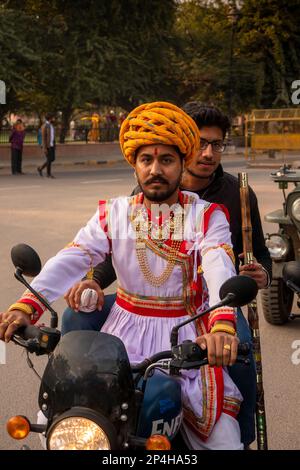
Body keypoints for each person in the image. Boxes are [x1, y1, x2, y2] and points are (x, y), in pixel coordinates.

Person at [1, 101, 244, 450]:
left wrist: (222, 325)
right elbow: (74, 256)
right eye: (147, 160)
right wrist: (27, 305)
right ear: (135, 167)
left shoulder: (207, 216)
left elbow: (219, 265)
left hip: (187, 336)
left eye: (166, 160)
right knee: (54, 420)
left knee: (223, 441)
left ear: (182, 164)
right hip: (119, 336)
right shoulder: (114, 213)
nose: (155, 169)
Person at [62, 103, 272, 448]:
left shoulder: (238, 194)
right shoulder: (144, 193)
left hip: (213, 301)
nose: (208, 153)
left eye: (216, 145)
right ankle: (76, 396)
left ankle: (242, 434)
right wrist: (93, 282)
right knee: (75, 314)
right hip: (143, 302)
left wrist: (259, 273)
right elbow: (121, 254)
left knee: (239, 348)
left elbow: (259, 253)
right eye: (202, 143)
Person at [37, 113, 56, 178]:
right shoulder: (45, 126)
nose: (54, 119)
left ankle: (40, 168)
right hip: (47, 145)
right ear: (50, 118)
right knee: (49, 159)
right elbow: (43, 138)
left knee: (52, 159)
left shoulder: (51, 125)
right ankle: (48, 174)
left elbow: (52, 136)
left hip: (52, 145)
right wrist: (44, 148)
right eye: (53, 118)